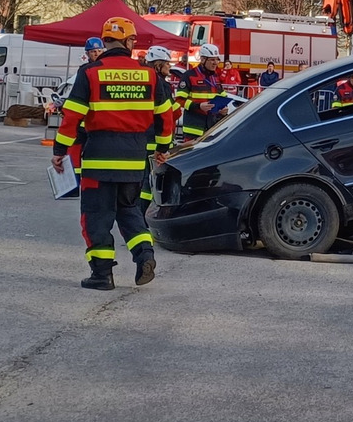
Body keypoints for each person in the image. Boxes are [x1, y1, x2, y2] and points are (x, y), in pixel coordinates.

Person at [51, 17, 174, 290]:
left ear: (104, 42)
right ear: (130, 42)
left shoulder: (90, 72)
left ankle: (101, 275)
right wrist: (163, 149)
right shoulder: (149, 75)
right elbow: (166, 116)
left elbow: (72, 116)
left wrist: (60, 150)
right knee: (129, 211)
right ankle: (145, 256)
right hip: (133, 158)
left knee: (95, 216)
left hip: (98, 158)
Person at [139, 46, 179, 215]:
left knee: (144, 182)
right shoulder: (162, 84)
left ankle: (139, 214)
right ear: (158, 65)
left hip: (144, 137)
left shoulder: (146, 80)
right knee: (150, 182)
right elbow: (172, 112)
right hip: (156, 141)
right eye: (167, 64)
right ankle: (141, 215)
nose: (169, 67)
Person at [176, 43, 230, 142]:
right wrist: (198, 106)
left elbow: (223, 95)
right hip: (194, 128)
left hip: (212, 127)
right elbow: (179, 100)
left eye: (217, 59)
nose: (215, 63)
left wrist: (224, 108)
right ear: (202, 60)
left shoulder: (215, 77)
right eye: (212, 59)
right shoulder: (189, 76)